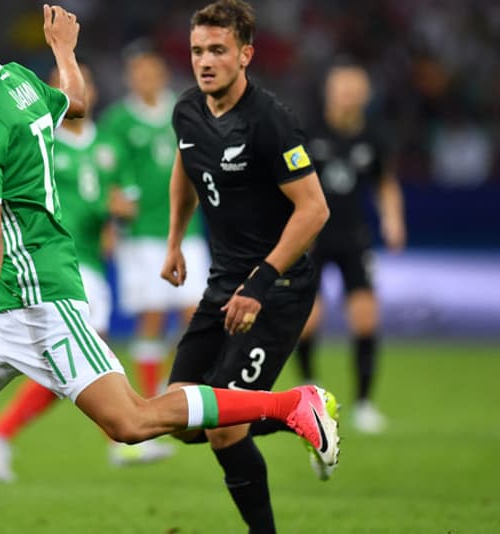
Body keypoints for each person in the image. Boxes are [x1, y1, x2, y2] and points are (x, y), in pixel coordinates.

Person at [0, 2, 338, 532]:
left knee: (132, 421)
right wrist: (63, 49)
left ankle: (293, 403)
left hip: (42, 303)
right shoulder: (17, 81)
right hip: (8, 309)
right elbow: (78, 103)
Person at [161, 0, 335, 531]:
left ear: (246, 55)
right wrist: (174, 240)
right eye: (197, 50)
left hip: (277, 288)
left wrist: (260, 282)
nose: (204, 61)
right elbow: (185, 169)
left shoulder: (269, 122)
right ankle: (298, 410)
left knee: (222, 429)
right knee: (180, 417)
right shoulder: (187, 110)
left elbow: (315, 209)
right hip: (222, 286)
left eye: (218, 50)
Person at [0, 65, 170, 483]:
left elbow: (122, 197)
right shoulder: (45, 142)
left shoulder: (107, 145)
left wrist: (117, 217)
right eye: (62, 85)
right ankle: (119, 443)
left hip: (92, 259)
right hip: (60, 261)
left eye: (84, 83)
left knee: (73, 363)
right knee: (81, 358)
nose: (77, 91)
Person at [292, 60, 405, 433]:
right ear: (329, 91)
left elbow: (384, 182)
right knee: (309, 321)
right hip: (313, 238)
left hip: (354, 237)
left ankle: (364, 404)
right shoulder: (308, 131)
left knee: (366, 317)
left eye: (355, 89)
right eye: (342, 88)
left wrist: (392, 219)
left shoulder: (374, 135)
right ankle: (309, 396)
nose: (348, 95)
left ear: (365, 95)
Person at [99, 43, 210, 404]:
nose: (144, 78)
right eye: (137, 71)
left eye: (150, 70)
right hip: (142, 235)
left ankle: (175, 381)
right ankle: (151, 399)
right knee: (152, 316)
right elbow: (105, 173)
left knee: (198, 313)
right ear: (130, 77)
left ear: (163, 74)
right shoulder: (118, 120)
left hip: (186, 229)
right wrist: (110, 217)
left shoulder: (184, 111)